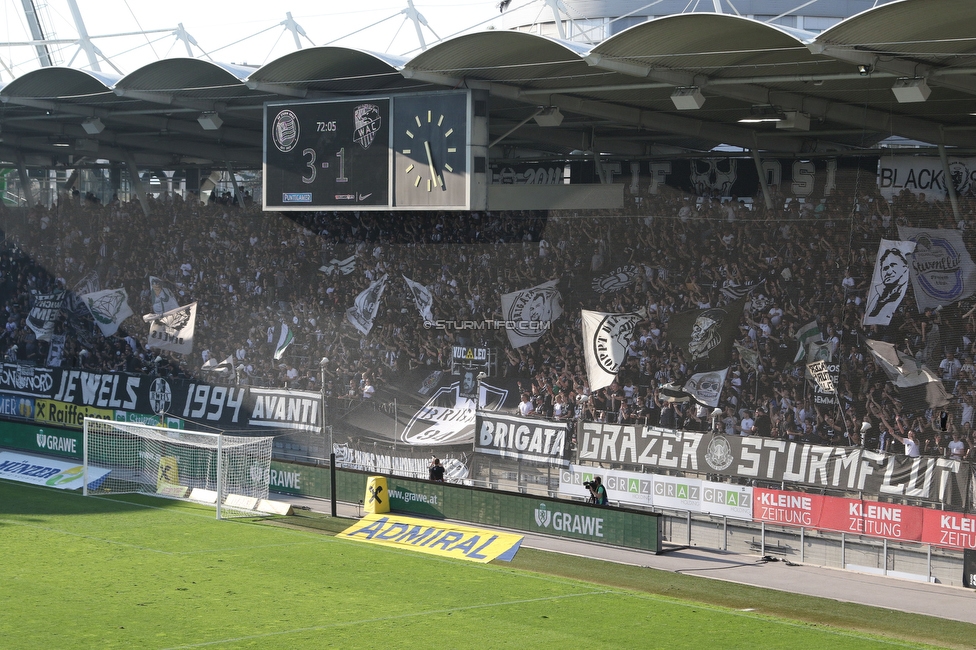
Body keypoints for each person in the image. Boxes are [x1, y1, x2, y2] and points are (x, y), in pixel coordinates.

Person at [864, 247, 910, 323]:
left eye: (892, 265)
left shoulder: (907, 290)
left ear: (905, 267)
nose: (888, 272)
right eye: (885, 268)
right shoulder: (877, 293)